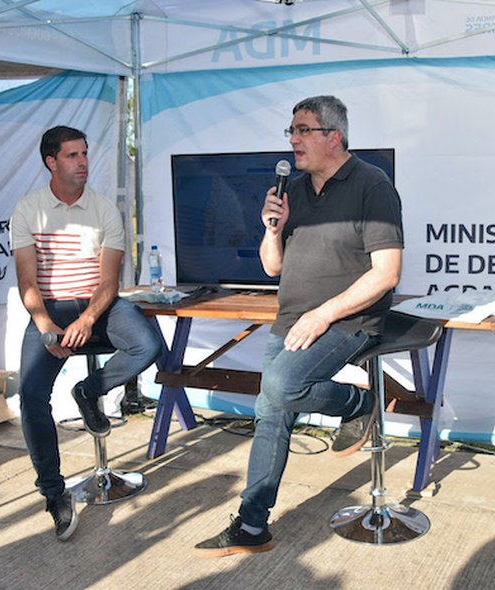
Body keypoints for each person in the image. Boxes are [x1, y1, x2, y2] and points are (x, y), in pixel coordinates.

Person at [193, 95, 404, 557]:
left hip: (349, 320)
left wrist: (323, 313)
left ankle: (359, 402)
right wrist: (272, 228)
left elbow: (386, 273)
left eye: (302, 130)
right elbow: (273, 268)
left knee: (283, 386)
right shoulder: (296, 190)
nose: (292, 140)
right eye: (290, 131)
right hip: (291, 320)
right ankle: (252, 527)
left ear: (334, 136)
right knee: (271, 409)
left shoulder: (372, 184)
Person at [10, 126, 162, 541]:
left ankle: (89, 391)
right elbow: (28, 281)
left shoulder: (104, 210)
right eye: (73, 156)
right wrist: (45, 326)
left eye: (84, 154)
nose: (82, 163)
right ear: (51, 162)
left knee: (148, 344)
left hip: (98, 304)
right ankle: (54, 494)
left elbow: (108, 284)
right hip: (51, 308)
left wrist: (86, 321)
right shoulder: (27, 210)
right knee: (30, 396)